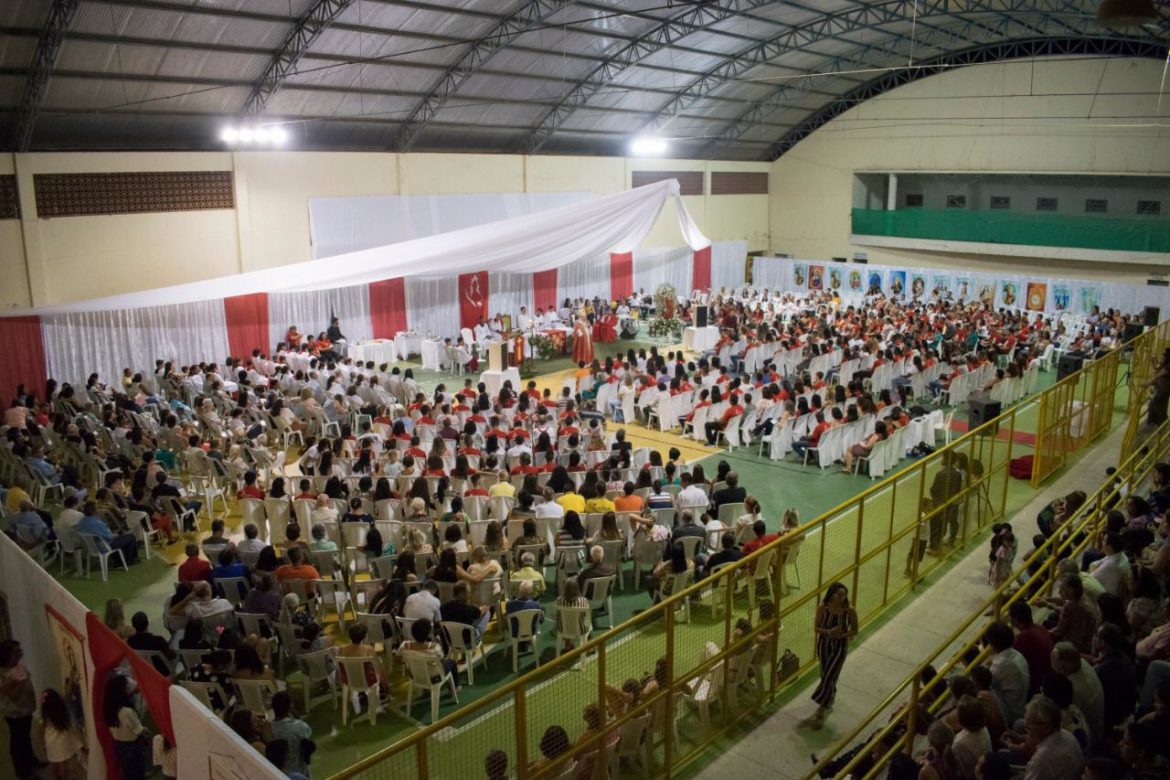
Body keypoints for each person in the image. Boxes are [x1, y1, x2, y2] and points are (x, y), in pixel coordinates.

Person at [810, 581, 857, 727]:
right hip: (824, 644)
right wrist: (830, 632)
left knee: (829, 676)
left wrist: (841, 635)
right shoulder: (823, 607)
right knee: (826, 674)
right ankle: (831, 692)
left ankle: (821, 710)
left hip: (840, 646)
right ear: (832, 594)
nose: (842, 598)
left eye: (844, 595)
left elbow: (855, 630)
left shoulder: (849, 610)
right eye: (839, 594)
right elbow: (816, 628)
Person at [1021, 695, 1083, 780]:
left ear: (1047, 727)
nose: (1026, 725)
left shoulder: (1040, 761)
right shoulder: (1068, 735)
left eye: (1030, 722)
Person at [0, 640, 37, 780]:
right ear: (7, 656)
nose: (20, 654)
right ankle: (22, 771)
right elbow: (14, 695)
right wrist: (23, 679)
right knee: (18, 741)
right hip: (15, 714)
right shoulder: (2, 675)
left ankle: (31, 761)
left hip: (26, 710)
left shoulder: (16, 667)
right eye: (16, 652)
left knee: (26, 737)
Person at [105, 674, 149, 780]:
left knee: (127, 773)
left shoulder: (109, 710)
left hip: (119, 746)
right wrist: (147, 730)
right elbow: (139, 730)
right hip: (132, 748)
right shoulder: (127, 711)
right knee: (137, 774)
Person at [269, 691, 314, 779]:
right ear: (290, 707)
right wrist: (296, 716)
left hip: (277, 774)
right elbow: (308, 734)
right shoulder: (298, 726)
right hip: (299, 772)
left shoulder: (268, 729)